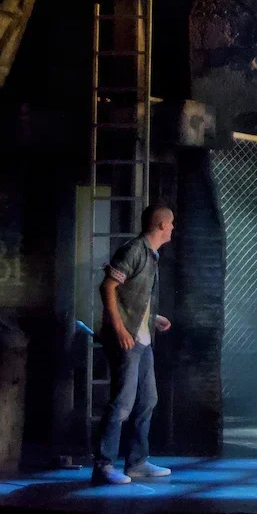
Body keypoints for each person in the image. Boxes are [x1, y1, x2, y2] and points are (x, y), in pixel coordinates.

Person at [92, 206, 176, 485]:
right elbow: (108, 287)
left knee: (147, 399)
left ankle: (137, 462)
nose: (174, 228)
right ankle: (103, 465)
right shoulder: (135, 250)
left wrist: (154, 317)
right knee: (123, 404)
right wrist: (118, 328)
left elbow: (134, 297)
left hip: (143, 339)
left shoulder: (152, 255)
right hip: (127, 339)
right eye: (171, 223)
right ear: (162, 225)